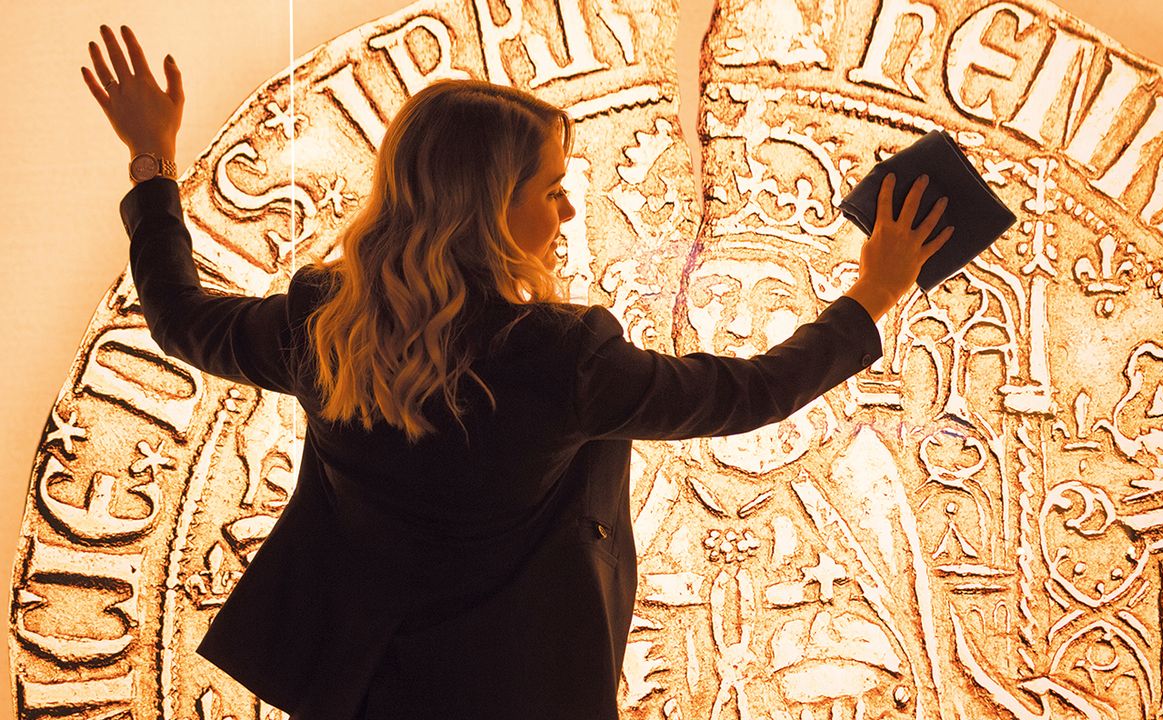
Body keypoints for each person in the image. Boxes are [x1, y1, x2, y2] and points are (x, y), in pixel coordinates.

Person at [82, 23, 951, 720]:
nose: (568, 206)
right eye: (550, 187)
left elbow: (179, 317)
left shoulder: (325, 322)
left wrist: (153, 160)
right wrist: (872, 293)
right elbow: (743, 394)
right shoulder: (560, 356)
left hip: (360, 690)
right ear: (490, 205)